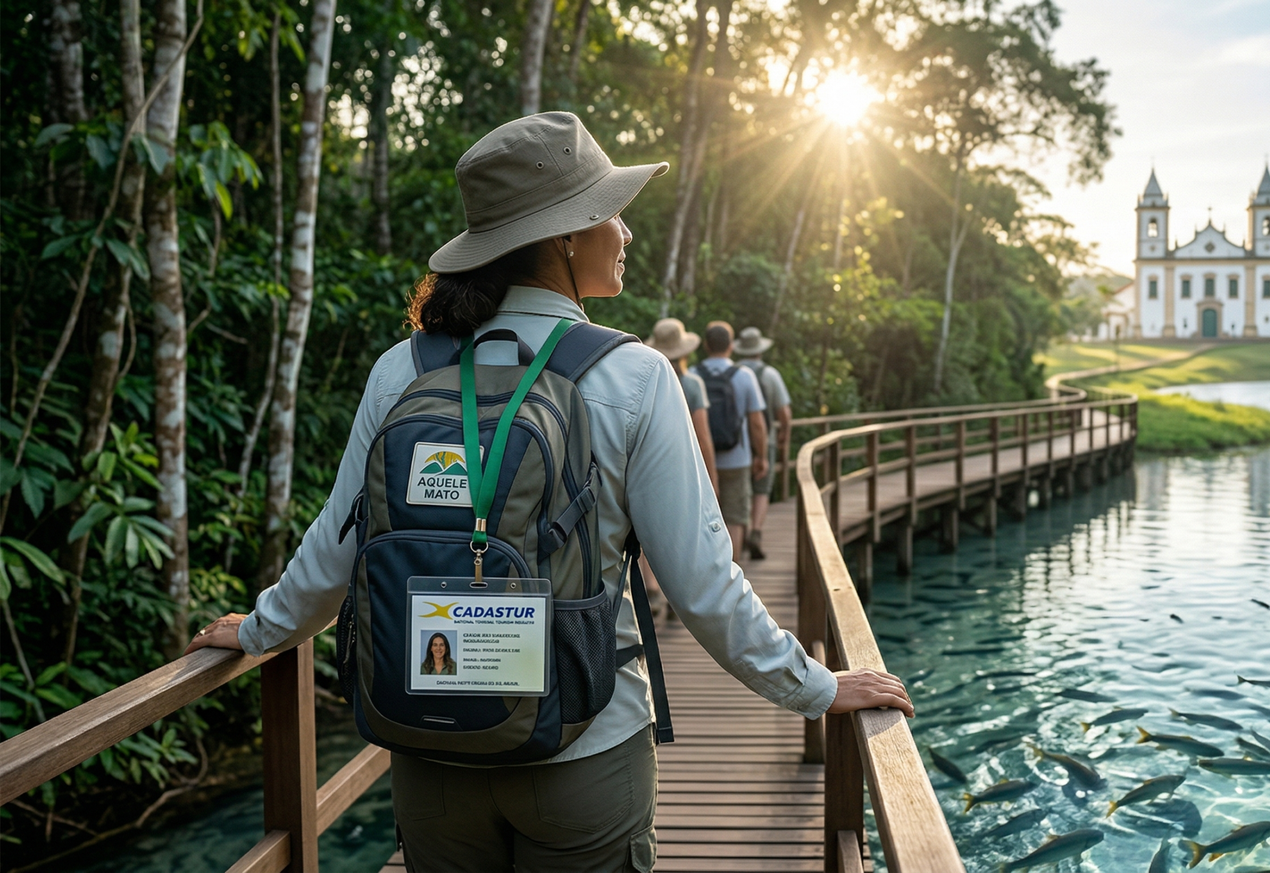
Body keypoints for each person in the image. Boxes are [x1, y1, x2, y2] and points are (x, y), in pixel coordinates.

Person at [184, 112, 912, 872]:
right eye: (611, 214)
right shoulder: (633, 377)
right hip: (585, 747)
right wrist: (814, 687)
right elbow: (701, 582)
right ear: (566, 235)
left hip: (431, 753)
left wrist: (263, 629)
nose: (624, 233)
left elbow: (340, 547)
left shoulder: (402, 369)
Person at [694, 322, 767, 561]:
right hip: (737, 458)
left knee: (702, 518)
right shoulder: (744, 376)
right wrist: (762, 456)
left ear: (706, 345)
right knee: (735, 517)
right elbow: (757, 423)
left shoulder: (693, 375)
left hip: (701, 461)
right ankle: (732, 576)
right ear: (731, 346)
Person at [734, 327, 791, 561]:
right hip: (763, 439)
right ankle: (756, 531)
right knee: (761, 489)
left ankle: (741, 533)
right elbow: (784, 412)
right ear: (760, 350)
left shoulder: (733, 373)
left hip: (736, 443)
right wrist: (784, 434)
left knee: (739, 490)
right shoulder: (770, 374)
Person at [644, 318, 718, 496]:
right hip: (684, 469)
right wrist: (713, 482)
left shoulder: (645, 383)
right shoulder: (692, 385)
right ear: (684, 353)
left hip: (650, 467)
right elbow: (702, 437)